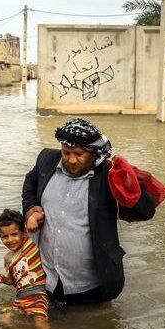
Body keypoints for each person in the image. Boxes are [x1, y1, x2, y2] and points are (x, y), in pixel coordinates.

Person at [22, 118, 156, 304]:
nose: (71, 159)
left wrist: (128, 181)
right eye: (66, 152)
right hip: (46, 280)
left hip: (91, 286)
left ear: (93, 153)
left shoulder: (108, 174)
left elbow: (146, 212)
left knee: (95, 328)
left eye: (79, 153)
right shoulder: (47, 160)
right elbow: (30, 181)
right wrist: (30, 210)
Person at [0, 209, 52, 329]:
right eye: (5, 236)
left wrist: (32, 218)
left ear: (23, 232)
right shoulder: (7, 258)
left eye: (14, 234)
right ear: (0, 236)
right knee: (2, 320)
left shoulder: (30, 243)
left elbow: (40, 216)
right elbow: (13, 282)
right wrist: (4, 279)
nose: (10, 240)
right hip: (20, 298)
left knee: (40, 322)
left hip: (38, 295)